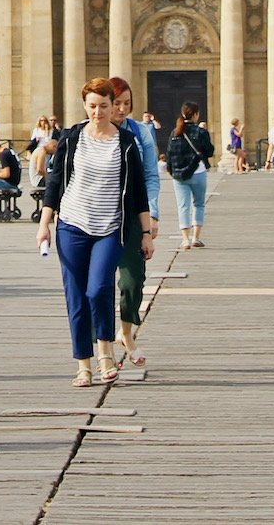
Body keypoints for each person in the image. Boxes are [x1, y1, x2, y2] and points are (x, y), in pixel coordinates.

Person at [38, 78, 155, 387]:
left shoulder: (127, 141)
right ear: (84, 106)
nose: (99, 112)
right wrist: (44, 224)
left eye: (104, 105)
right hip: (72, 225)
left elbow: (138, 191)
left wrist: (145, 231)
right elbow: (55, 182)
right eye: (92, 106)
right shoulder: (71, 137)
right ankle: (83, 365)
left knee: (98, 288)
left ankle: (104, 352)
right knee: (75, 296)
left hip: (109, 227)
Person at [108, 77, 159, 376]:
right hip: (97, 217)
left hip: (131, 217)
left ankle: (125, 330)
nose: (122, 109)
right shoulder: (84, 133)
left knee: (132, 282)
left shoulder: (140, 133)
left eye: (127, 104)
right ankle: (101, 352)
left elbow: (151, 177)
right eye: (118, 103)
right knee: (98, 285)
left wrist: (152, 217)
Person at [165, 102, 214, 249]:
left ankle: (185, 239)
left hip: (179, 175)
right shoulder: (200, 132)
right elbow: (210, 151)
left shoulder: (175, 132)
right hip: (198, 172)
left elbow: (169, 154)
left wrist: (173, 172)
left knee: (183, 206)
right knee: (198, 204)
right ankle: (196, 238)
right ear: (195, 115)